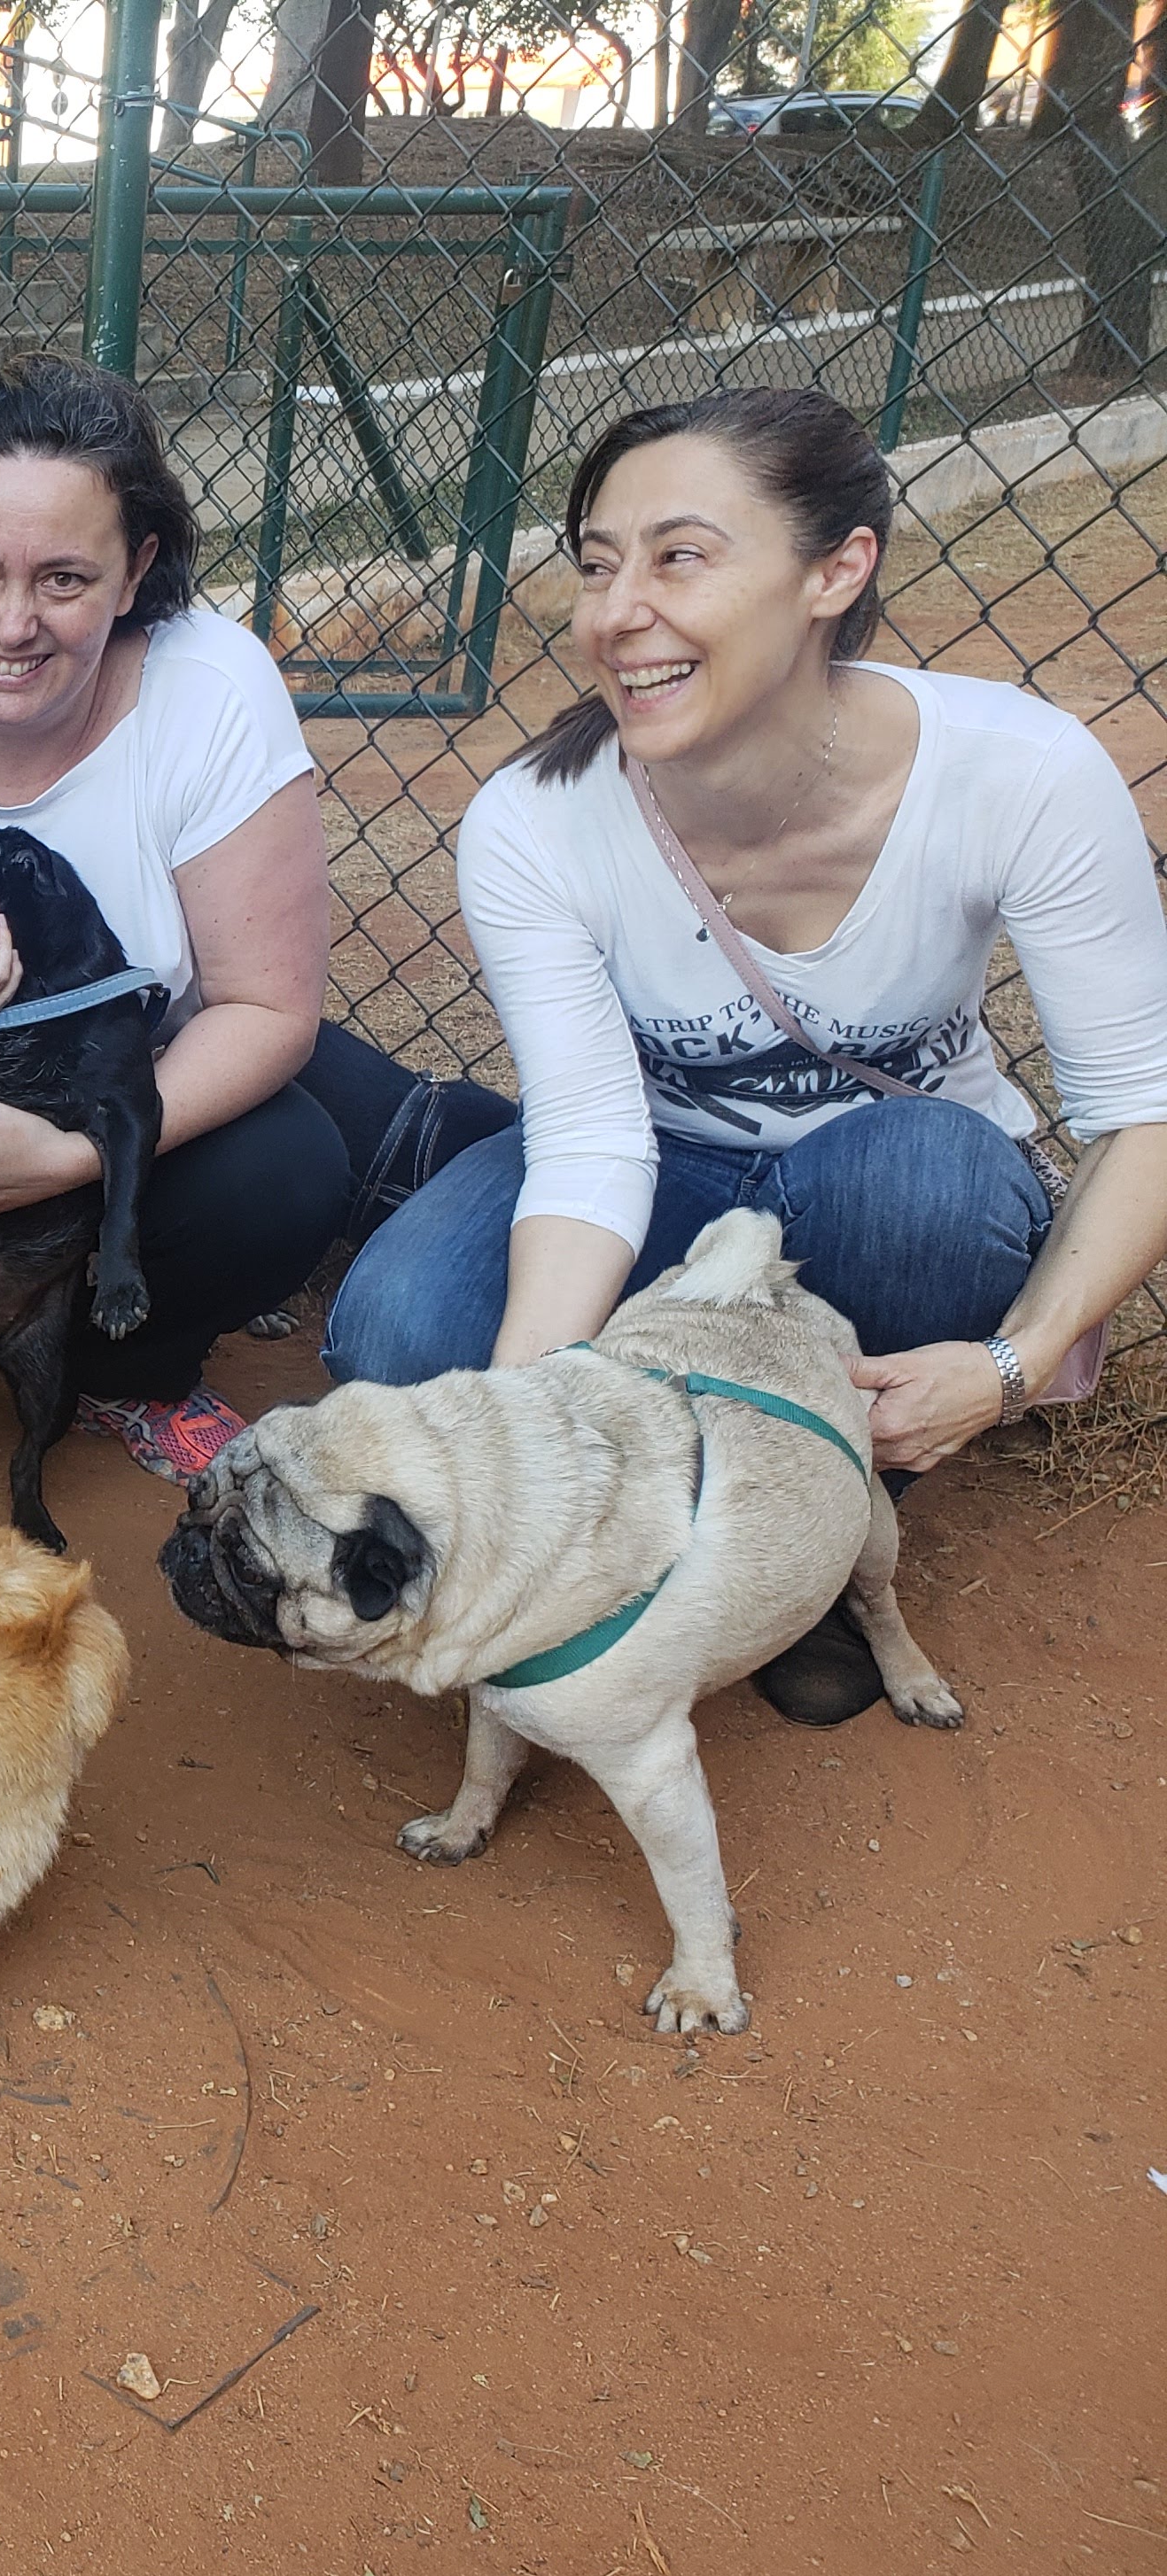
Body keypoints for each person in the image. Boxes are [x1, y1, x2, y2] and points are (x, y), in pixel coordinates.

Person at [326, 384, 1167, 1720]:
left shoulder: (1020, 774)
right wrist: (520, 1449)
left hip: (878, 1182)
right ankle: (653, 1530)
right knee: (401, 1331)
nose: (616, 610)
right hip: (660, 1172)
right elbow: (597, 1141)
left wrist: (1012, 1368)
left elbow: (1144, 1114)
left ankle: (816, 1530)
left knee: (929, 1188)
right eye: (599, 564)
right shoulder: (534, 824)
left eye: (680, 556)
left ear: (838, 569)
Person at [0, 353, 502, 1482]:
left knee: (288, 1169)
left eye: (64, 579)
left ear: (136, 573)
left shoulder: (208, 690)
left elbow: (269, 1007)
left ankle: (124, 1367)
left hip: (98, 1085)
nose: (13, 624)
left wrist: (79, 1156)